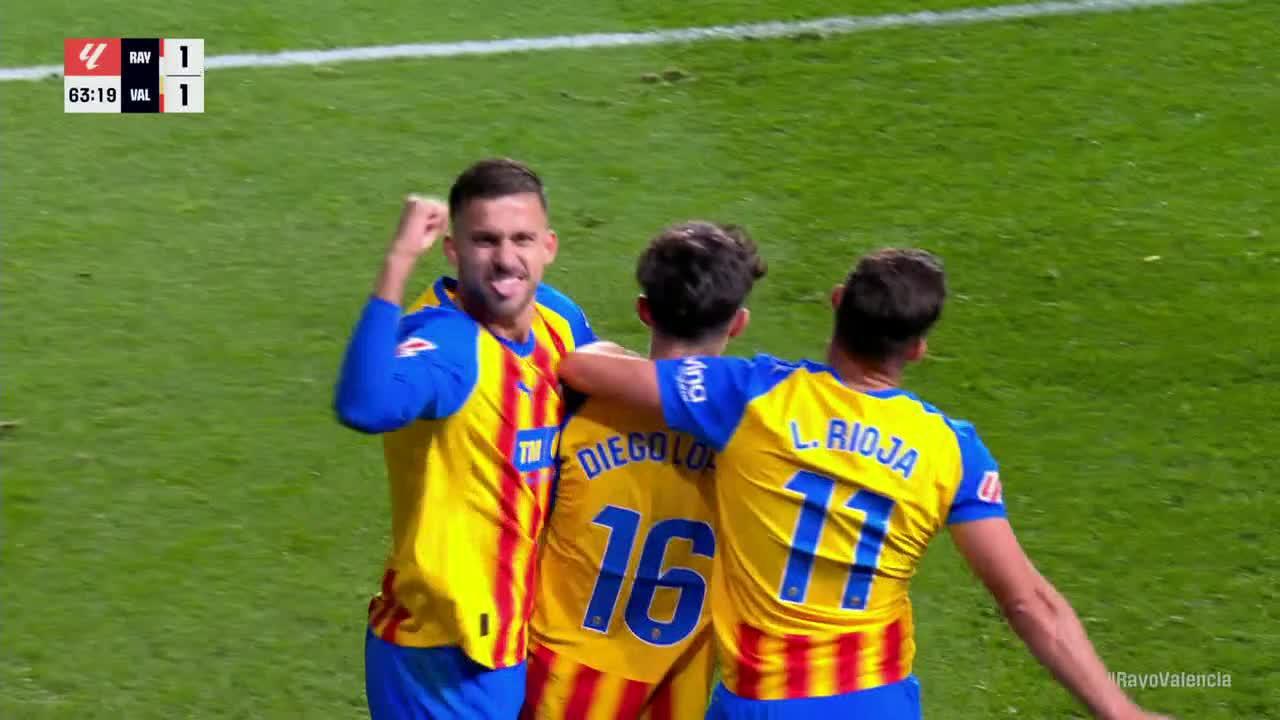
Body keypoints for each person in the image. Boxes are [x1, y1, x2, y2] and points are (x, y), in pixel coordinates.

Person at [555, 249, 1170, 720]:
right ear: (919, 348)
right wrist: (1121, 711)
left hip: (762, 701)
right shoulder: (953, 449)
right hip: (876, 699)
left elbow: (583, 369)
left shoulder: (752, 396)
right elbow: (1028, 601)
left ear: (837, 302)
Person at [334, 158, 596, 719]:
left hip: (517, 629)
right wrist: (398, 260)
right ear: (453, 250)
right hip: (441, 649)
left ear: (549, 246)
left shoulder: (558, 319)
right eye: (485, 240)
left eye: (521, 239)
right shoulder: (449, 345)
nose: (505, 258)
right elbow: (362, 404)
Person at [522, 222, 767, 720]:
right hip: (677, 683)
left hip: (562, 677)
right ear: (738, 322)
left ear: (644, 310)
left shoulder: (582, 400)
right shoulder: (754, 438)